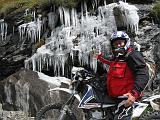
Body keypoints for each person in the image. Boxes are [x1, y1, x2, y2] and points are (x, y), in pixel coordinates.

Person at [96, 31, 149, 120]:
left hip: (127, 100)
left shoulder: (133, 55)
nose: (118, 46)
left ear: (126, 42)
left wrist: (134, 94)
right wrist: (99, 57)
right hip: (115, 100)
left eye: (120, 43)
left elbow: (143, 74)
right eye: (116, 44)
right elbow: (111, 63)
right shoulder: (119, 58)